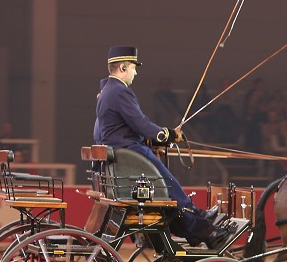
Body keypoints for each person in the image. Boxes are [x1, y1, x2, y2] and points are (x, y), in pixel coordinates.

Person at [93, 46, 240, 249]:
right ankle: (202, 228)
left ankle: (197, 216)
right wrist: (167, 134)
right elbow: (140, 123)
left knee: (168, 185)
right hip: (130, 155)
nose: (135, 72)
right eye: (134, 68)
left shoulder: (106, 93)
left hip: (124, 153)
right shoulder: (120, 92)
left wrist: (155, 137)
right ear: (122, 67)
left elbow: (110, 131)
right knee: (167, 185)